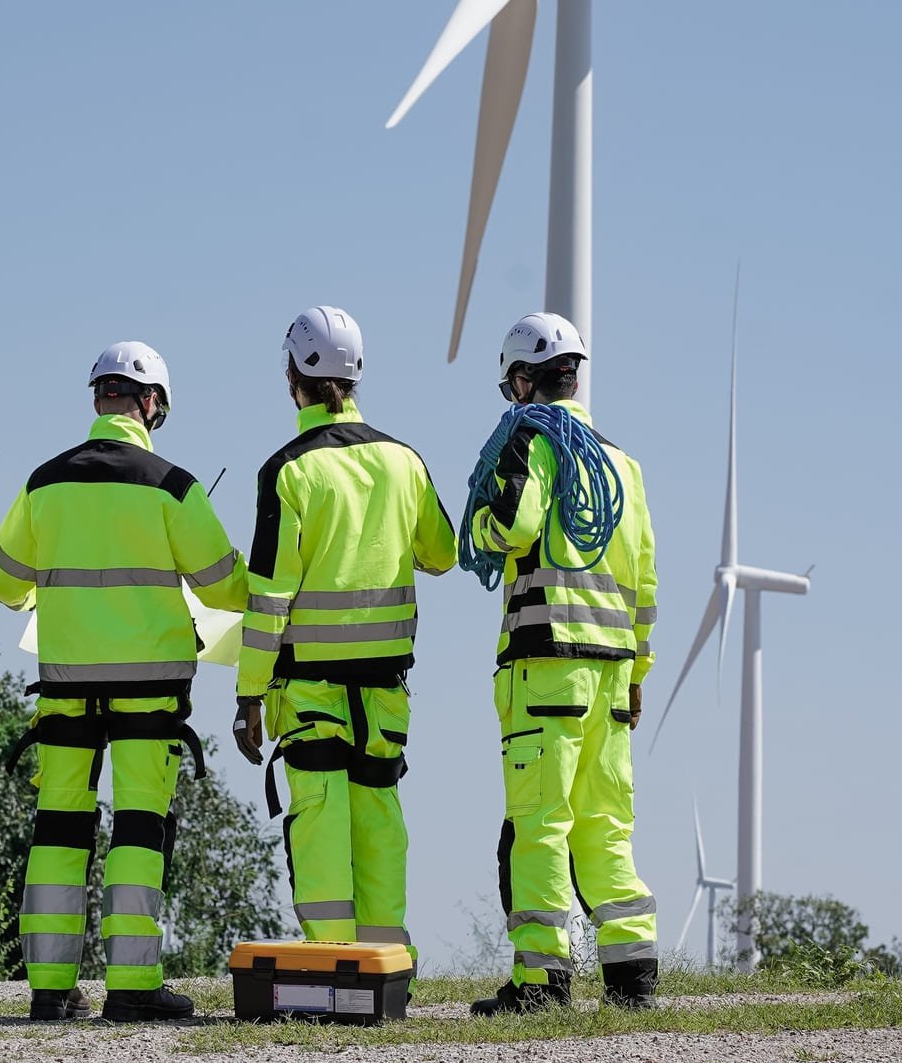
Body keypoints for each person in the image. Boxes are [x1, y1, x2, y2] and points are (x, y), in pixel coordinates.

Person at [0, 343, 250, 1021]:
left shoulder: (44, 483)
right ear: (153, 403)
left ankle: (49, 989)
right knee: (138, 826)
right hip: (148, 691)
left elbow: (2, 580)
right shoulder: (172, 485)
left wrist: (52, 597)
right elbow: (226, 586)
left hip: (66, 684)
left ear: (97, 398)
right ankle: (131, 988)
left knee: (59, 827)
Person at [230, 306, 455, 957]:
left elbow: (269, 597)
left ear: (293, 375)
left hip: (310, 693)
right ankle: (389, 965)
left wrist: (249, 695)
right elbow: (440, 554)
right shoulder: (404, 460)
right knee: (380, 821)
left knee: (320, 820)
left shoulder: (288, 469)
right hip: (385, 692)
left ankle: (331, 963)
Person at [464, 313, 662, 1015]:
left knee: (540, 822)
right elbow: (645, 582)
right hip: (611, 676)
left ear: (524, 378)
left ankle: (541, 983)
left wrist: (483, 529)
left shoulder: (532, 435)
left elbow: (515, 523)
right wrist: (637, 674)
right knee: (606, 823)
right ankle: (632, 977)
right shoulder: (625, 467)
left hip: (546, 668)